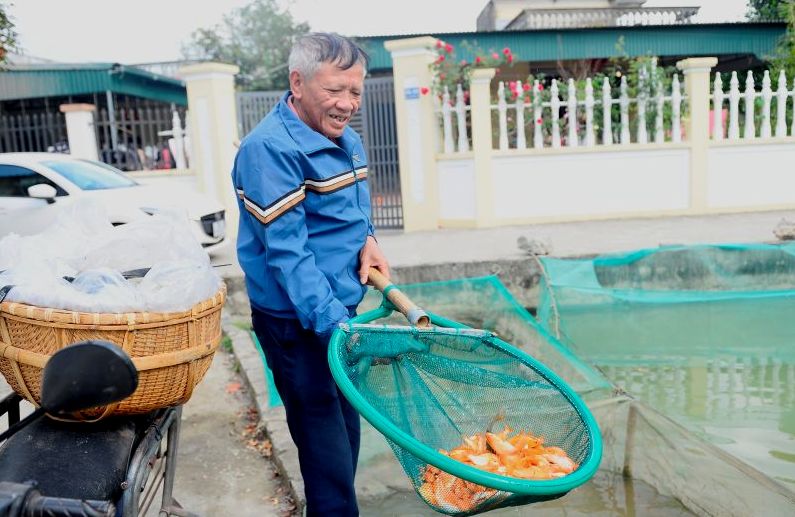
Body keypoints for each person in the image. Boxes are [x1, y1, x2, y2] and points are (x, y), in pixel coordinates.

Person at [231, 32, 389, 517]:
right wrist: (334, 328)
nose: (347, 104)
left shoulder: (346, 137)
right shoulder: (269, 151)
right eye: (335, 90)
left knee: (346, 431)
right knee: (326, 453)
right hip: (296, 325)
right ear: (297, 82)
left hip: (338, 313)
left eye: (356, 92)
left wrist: (370, 240)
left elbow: (356, 210)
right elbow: (289, 255)